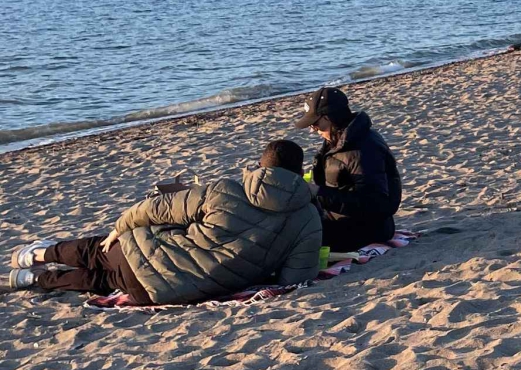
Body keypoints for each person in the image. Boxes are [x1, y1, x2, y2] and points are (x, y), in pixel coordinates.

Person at [5, 140, 322, 304]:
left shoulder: (227, 189)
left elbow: (159, 207)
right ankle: (36, 281)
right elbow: (293, 279)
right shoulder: (309, 219)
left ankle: (36, 256)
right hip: (161, 292)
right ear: (299, 172)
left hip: (150, 255)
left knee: (96, 250)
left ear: (260, 167)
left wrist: (120, 225)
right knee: (99, 280)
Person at [295, 87, 403, 251]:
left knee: (297, 241)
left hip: (368, 229)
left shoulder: (363, 149)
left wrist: (318, 193)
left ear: (329, 118)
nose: (312, 129)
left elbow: (375, 204)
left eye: (315, 124)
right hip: (340, 218)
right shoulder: (339, 139)